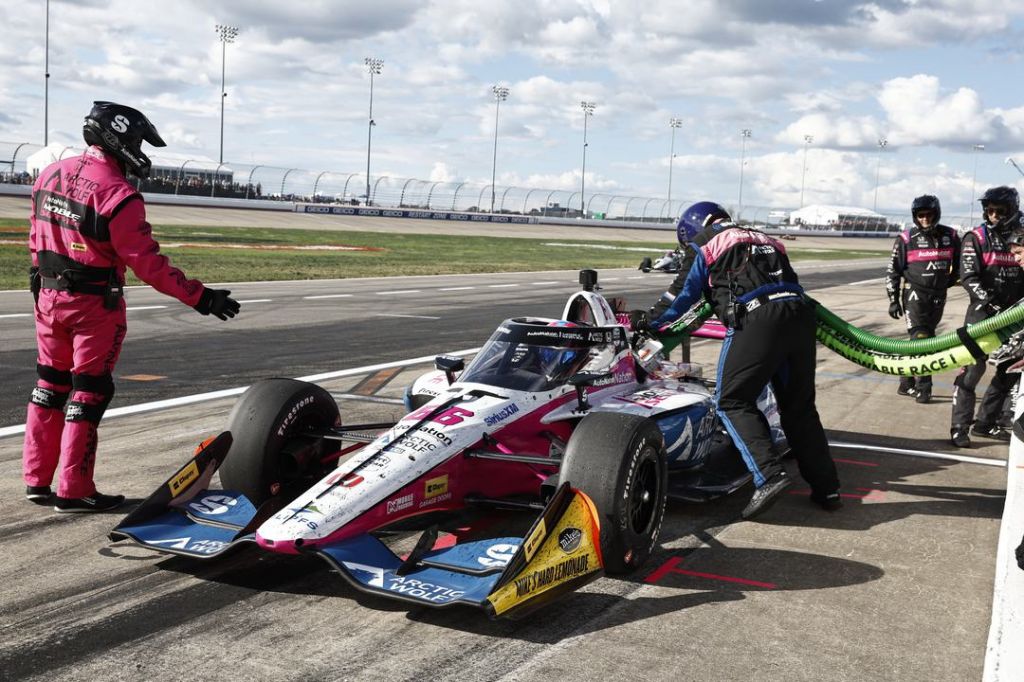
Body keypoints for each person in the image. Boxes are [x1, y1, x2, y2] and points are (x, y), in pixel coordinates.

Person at [23, 101, 241, 513]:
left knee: (49, 384)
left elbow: (36, 237)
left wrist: (39, 284)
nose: (140, 151)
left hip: (47, 296)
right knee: (90, 392)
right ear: (118, 138)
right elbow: (147, 264)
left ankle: (36, 479)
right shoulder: (120, 195)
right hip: (93, 306)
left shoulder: (49, 174)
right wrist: (202, 298)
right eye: (138, 141)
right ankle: (74, 489)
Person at [635, 202, 840, 519]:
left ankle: (769, 475)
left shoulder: (706, 240)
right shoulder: (765, 237)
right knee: (799, 408)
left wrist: (647, 321)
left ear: (691, 230)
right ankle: (828, 489)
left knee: (731, 400)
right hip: (800, 316)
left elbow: (681, 296)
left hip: (757, 317)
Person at [950, 186, 1024, 448]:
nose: (993, 215)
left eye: (999, 211)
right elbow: (968, 277)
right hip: (982, 315)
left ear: (1012, 210)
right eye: (989, 210)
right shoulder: (976, 237)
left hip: (1015, 317)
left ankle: (986, 423)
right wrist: (989, 303)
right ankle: (959, 428)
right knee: (972, 371)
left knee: (1009, 371)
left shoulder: (1022, 233)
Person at [885, 195, 960, 403]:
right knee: (921, 339)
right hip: (914, 294)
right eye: (920, 215)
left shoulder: (951, 235)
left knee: (925, 339)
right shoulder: (906, 239)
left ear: (936, 214)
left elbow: (961, 264)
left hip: (938, 296)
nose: (925, 219)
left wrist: (950, 280)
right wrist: (893, 299)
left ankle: (905, 382)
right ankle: (924, 387)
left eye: (928, 215)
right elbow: (893, 271)